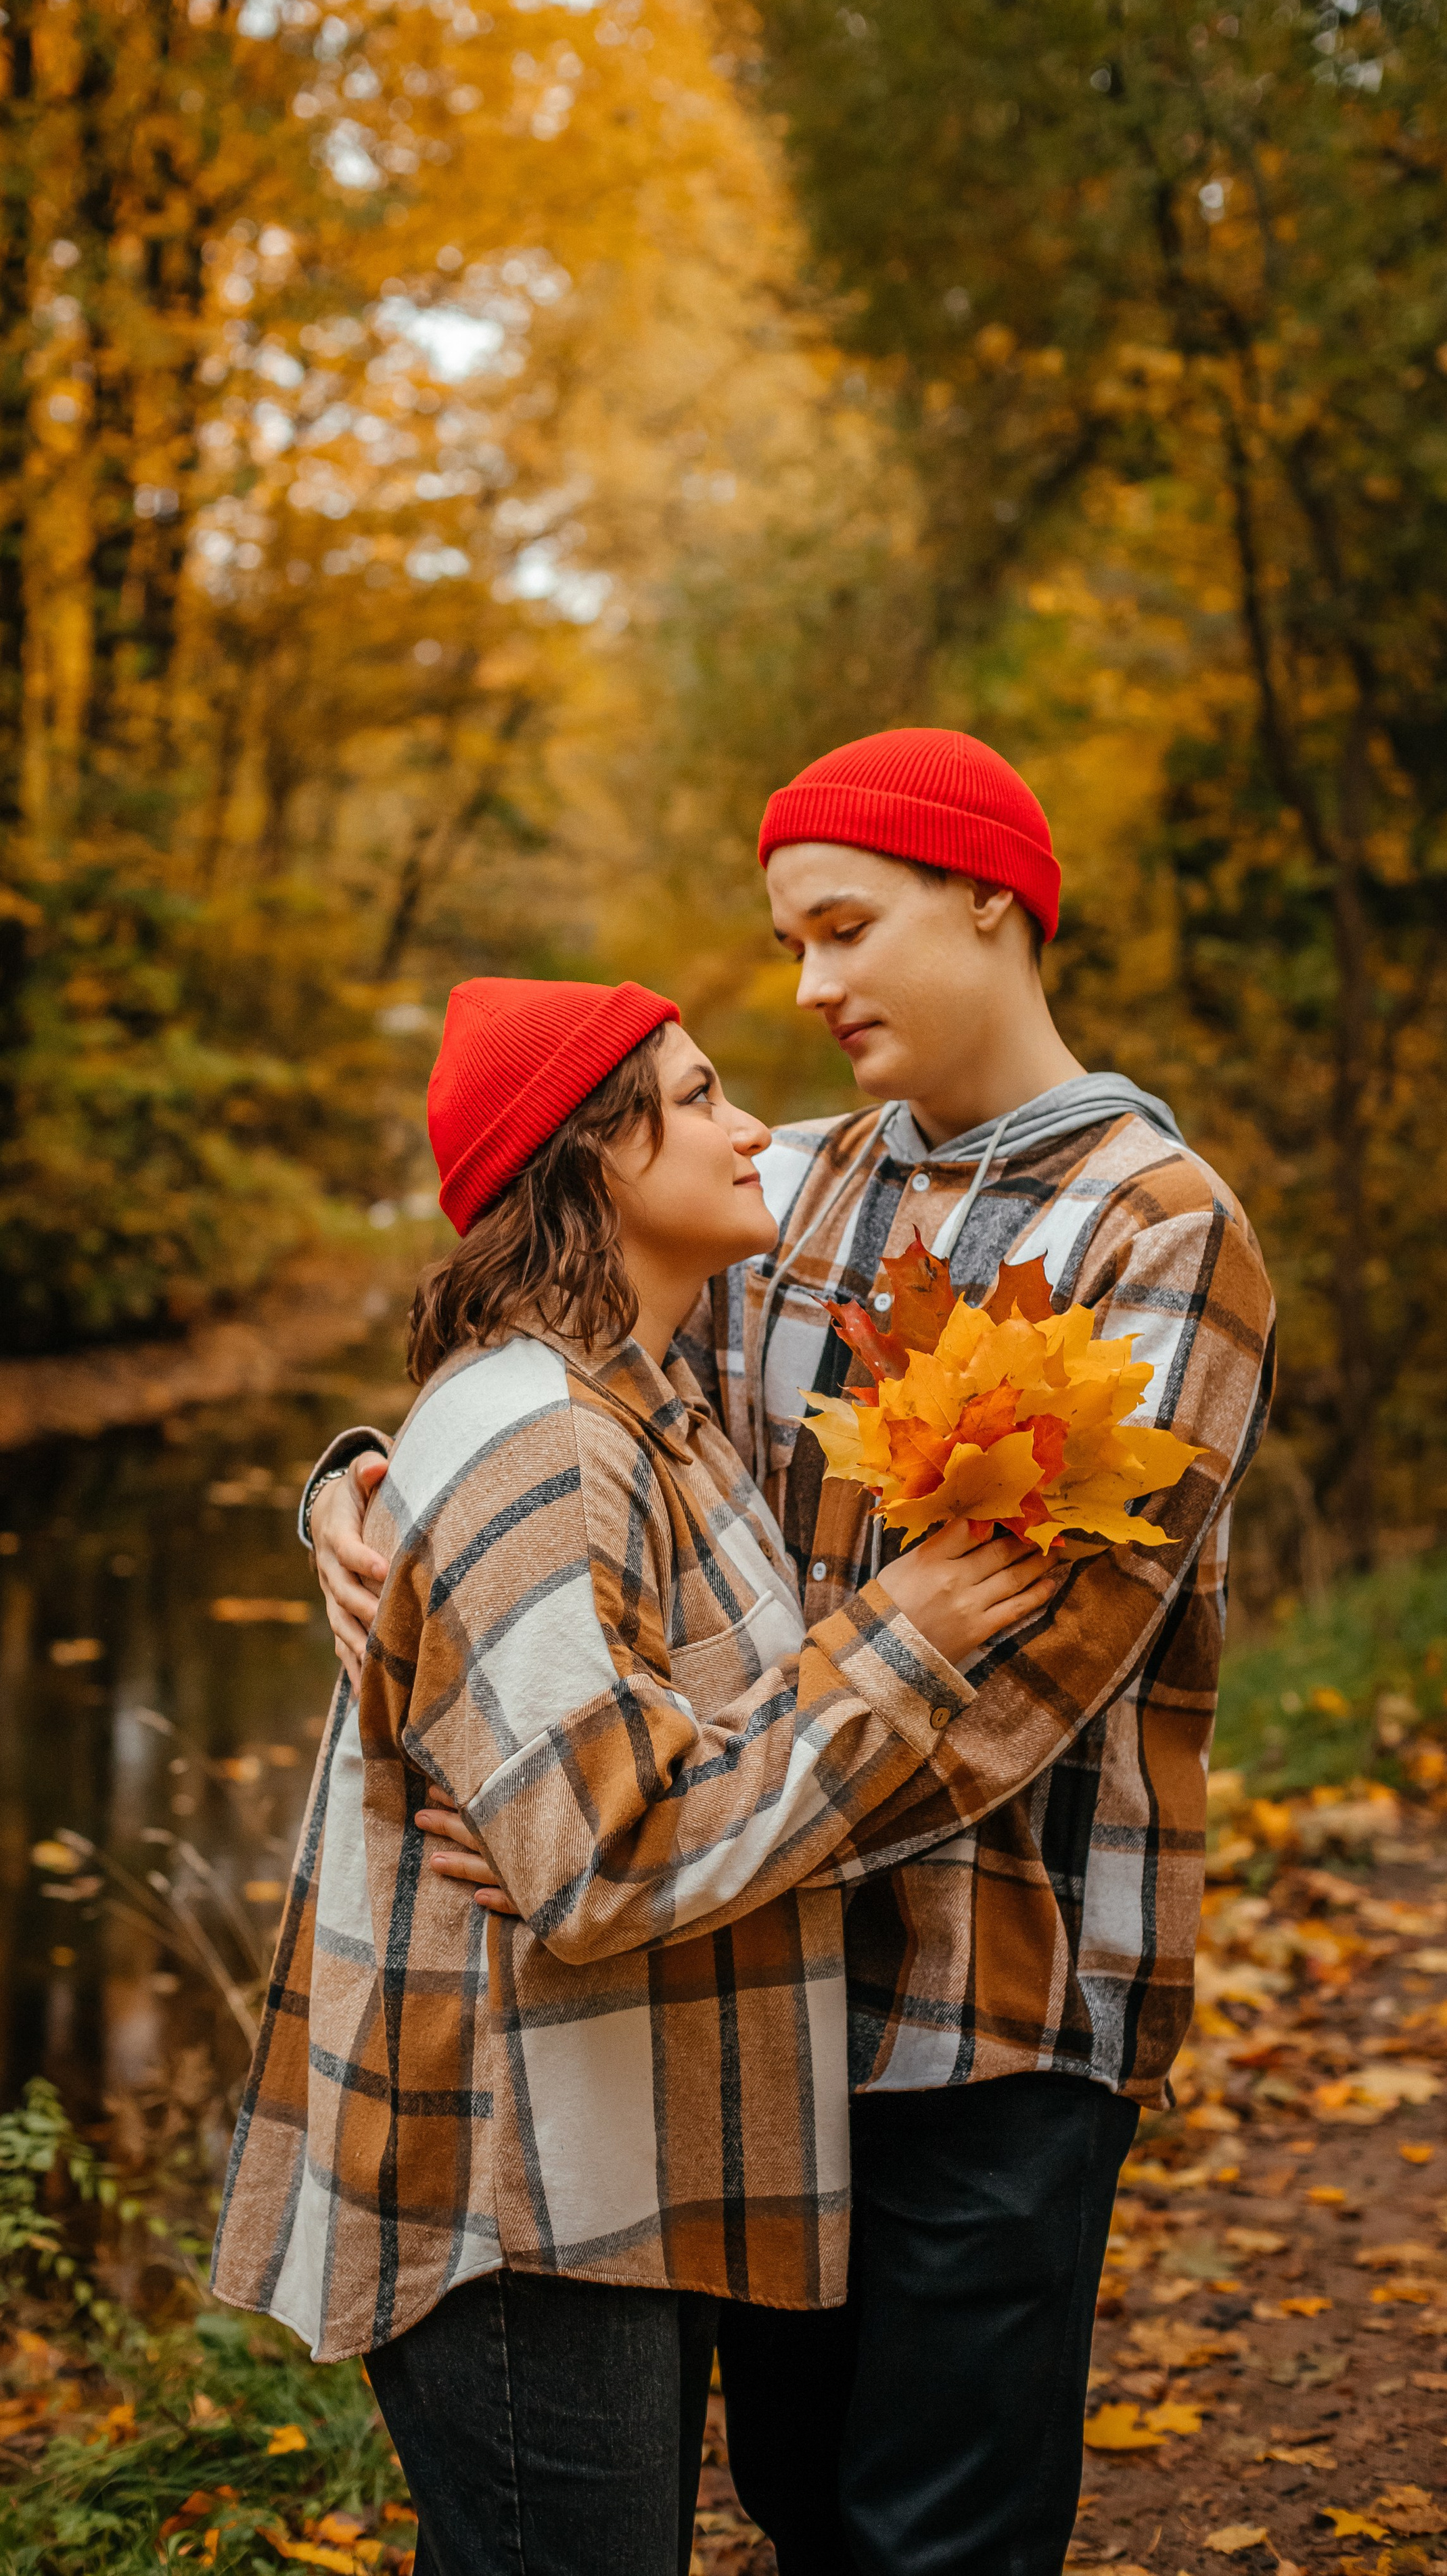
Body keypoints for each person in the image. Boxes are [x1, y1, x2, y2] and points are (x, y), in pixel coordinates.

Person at [308, 731, 1277, 2576]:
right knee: (799, 2507)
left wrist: (621, 1843)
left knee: (932, 2540)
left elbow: (1009, 1695)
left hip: (991, 2014)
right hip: (754, 2009)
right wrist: (361, 1487)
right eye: (792, 947)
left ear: (991, 899)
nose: (811, 987)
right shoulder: (798, 1191)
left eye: (845, 928)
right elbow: (568, 1395)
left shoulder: (1161, 1233)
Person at [213, 972, 1070, 2576]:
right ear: (586, 1155)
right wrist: (896, 1637)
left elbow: (652, 1780)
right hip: (516, 2195)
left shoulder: (650, 1409)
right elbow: (601, 1861)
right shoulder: (543, 1434)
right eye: (694, 1098)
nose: (751, 1128)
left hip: (600, 2162)